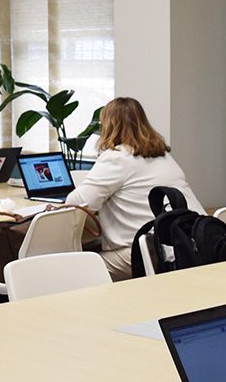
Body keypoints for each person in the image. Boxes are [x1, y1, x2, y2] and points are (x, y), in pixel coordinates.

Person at [65, 97, 202, 281]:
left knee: (74, 269)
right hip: (185, 247)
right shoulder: (163, 155)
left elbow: (75, 204)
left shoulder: (117, 157)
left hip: (147, 254)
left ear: (109, 125)